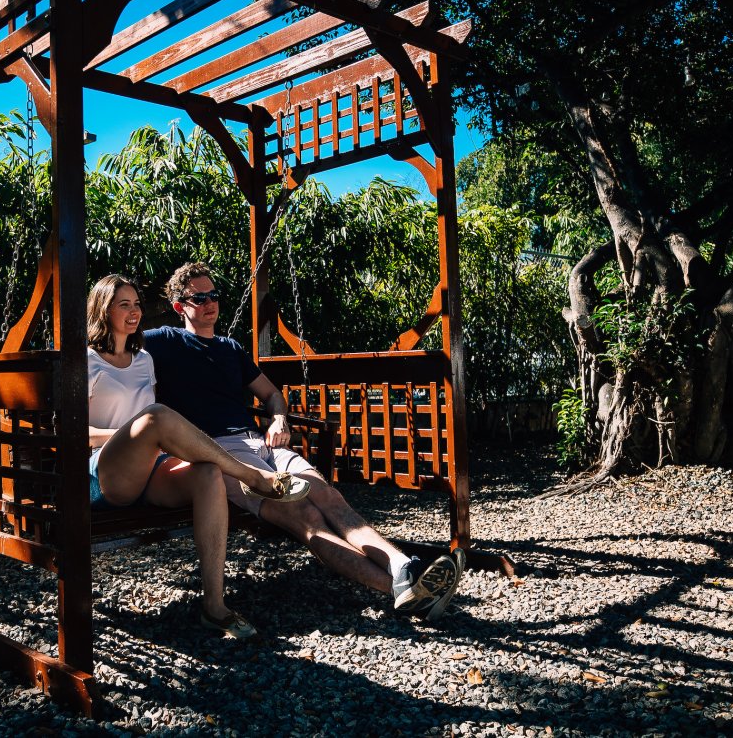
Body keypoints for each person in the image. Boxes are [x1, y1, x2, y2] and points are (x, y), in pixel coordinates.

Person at [144, 262, 464, 621]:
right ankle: (401, 589)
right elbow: (112, 344)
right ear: (179, 307)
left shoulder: (230, 348)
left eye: (213, 295)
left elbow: (271, 394)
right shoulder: (164, 342)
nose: (209, 303)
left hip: (260, 443)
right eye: (198, 297)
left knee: (328, 496)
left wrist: (279, 417)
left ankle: (403, 566)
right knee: (306, 517)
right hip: (219, 454)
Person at [86, 274, 310, 640]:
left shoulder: (144, 359)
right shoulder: (87, 360)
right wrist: (137, 436)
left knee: (206, 473)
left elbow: (196, 359)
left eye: (136, 304)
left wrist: (150, 438)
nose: (133, 312)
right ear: (103, 309)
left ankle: (214, 606)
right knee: (154, 417)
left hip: (151, 467)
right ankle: (254, 478)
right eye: (122, 305)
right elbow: (73, 433)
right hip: (103, 471)